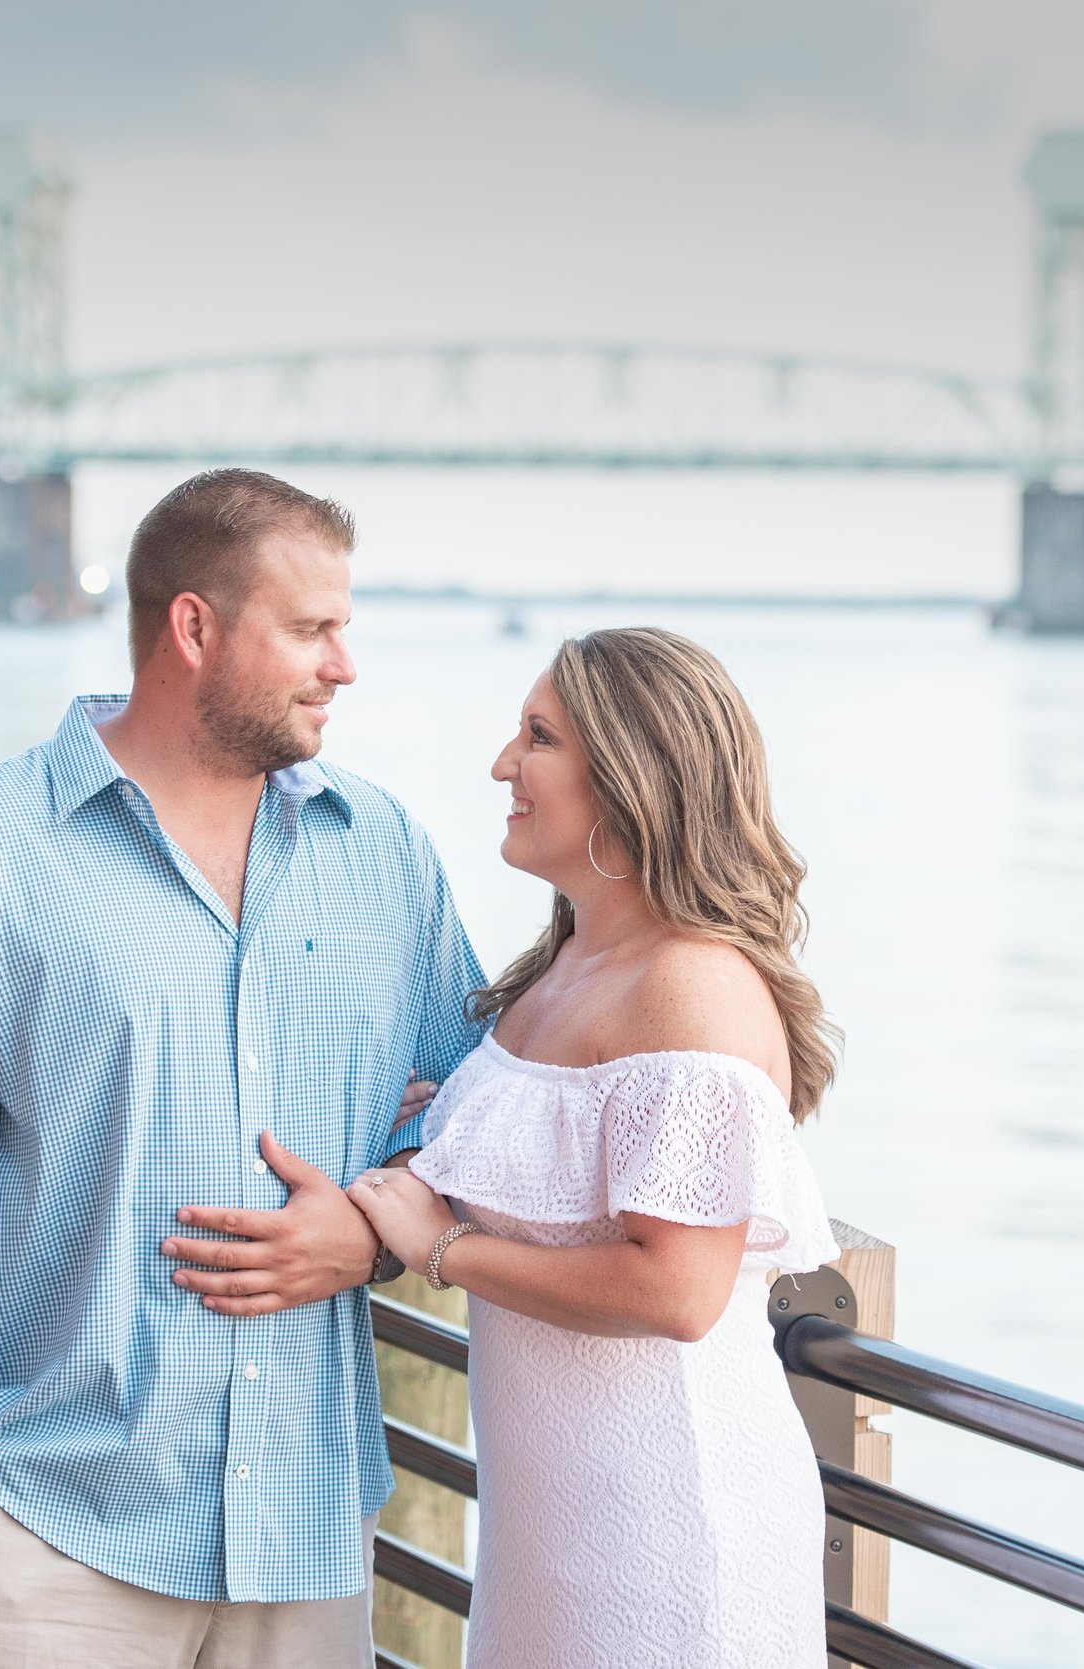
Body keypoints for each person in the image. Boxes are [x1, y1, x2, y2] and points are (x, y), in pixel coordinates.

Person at [0, 470, 482, 1669]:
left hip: (305, 1535)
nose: (344, 664)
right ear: (194, 627)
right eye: (311, 628)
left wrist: (379, 1231)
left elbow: (481, 1111)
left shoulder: (383, 852)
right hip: (49, 1539)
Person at [348, 626, 843, 1669]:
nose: (500, 765)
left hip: (670, 1528)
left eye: (537, 737)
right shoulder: (567, 963)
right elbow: (553, 1152)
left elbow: (677, 1290)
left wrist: (442, 1250)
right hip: (554, 1533)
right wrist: (419, 1127)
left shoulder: (691, 987)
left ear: (629, 777)